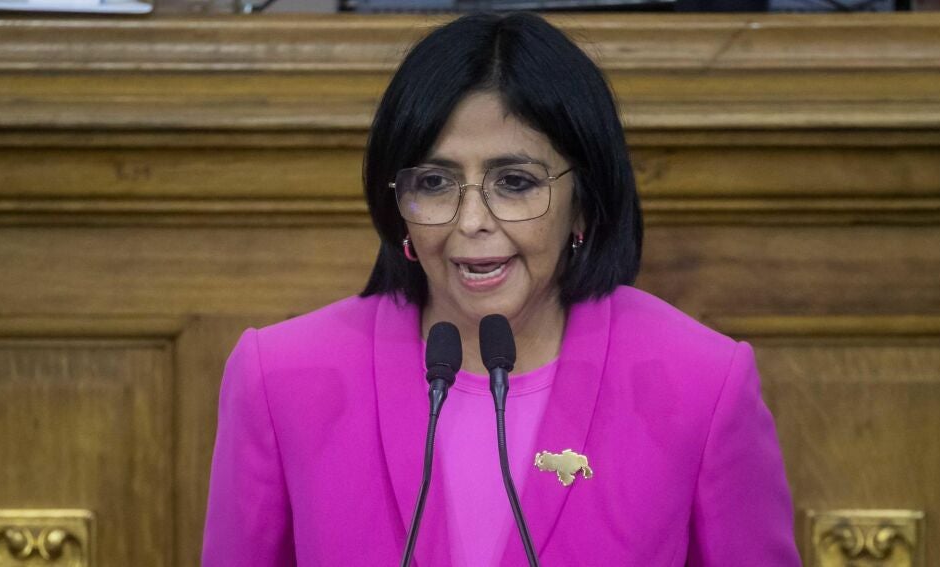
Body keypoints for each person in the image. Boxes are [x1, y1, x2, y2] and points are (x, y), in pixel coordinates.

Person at [202, 11, 799, 566]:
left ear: (582, 202)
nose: (471, 222)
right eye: (434, 183)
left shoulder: (702, 382)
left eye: (514, 182)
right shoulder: (279, 377)